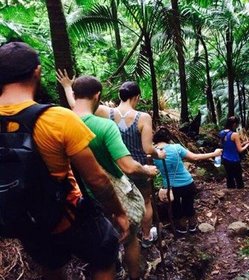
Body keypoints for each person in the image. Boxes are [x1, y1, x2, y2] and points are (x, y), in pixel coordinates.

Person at [0, 42, 129, 280]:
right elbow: (97, 179)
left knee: (50, 265)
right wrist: (118, 212)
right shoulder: (57, 118)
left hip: (23, 222)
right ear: (37, 72)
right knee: (105, 252)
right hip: (67, 217)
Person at [63, 75, 159, 280]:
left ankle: (115, 267)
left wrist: (66, 86)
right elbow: (128, 166)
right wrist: (148, 169)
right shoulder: (105, 126)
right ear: (97, 95)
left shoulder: (62, 122)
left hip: (79, 197)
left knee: (104, 237)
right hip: (112, 189)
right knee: (130, 237)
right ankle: (134, 274)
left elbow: (77, 107)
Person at [152, 127, 222, 233]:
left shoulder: (152, 152)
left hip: (170, 187)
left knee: (176, 207)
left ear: (155, 139)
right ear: (168, 138)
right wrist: (214, 154)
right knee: (188, 205)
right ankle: (193, 226)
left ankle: (182, 228)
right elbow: (195, 157)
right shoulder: (176, 148)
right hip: (187, 183)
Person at [219, 116, 249, 189]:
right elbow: (240, 150)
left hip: (225, 158)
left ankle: (230, 190)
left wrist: (243, 143)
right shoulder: (235, 134)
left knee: (229, 176)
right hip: (234, 159)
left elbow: (228, 144)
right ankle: (240, 191)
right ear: (234, 124)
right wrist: (247, 145)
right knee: (238, 176)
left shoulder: (222, 133)